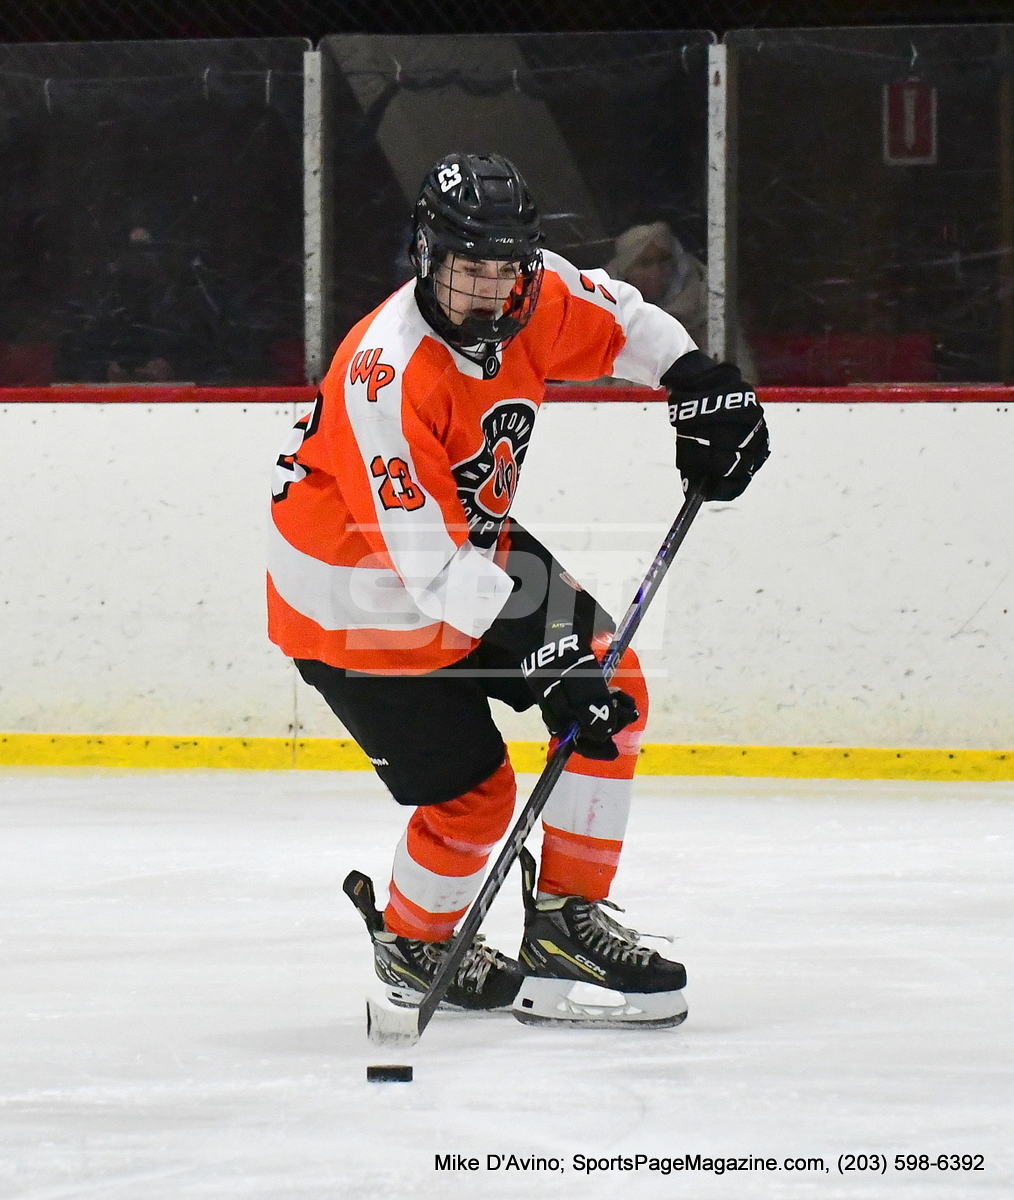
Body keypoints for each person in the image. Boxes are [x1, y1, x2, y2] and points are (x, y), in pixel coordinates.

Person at [267, 153, 768, 1027]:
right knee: (475, 801)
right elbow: (426, 569)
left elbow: (626, 322)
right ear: (427, 256)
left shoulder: (534, 293)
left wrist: (698, 384)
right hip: (351, 594)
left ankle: (568, 923)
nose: (491, 290)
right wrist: (544, 650)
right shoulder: (384, 373)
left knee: (611, 682)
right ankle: (414, 944)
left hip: (465, 542)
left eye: (507, 268)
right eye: (470, 268)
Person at [606, 220, 757, 382]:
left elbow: (743, 380)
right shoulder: (605, 317)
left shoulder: (710, 313)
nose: (657, 271)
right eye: (645, 263)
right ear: (625, 271)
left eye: (664, 260)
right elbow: (589, 387)